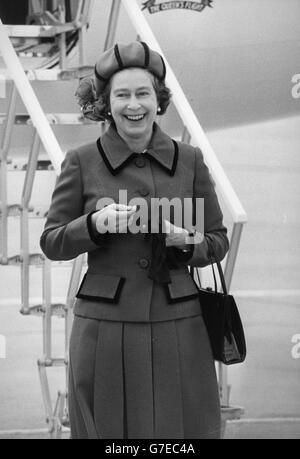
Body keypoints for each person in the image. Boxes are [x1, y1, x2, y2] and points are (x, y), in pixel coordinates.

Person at [40, 41, 229, 439]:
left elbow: (216, 240)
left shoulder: (190, 159)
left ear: (158, 100)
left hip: (178, 323)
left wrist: (185, 240)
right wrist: (93, 225)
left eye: (143, 93)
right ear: (105, 104)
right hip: (104, 327)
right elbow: (52, 241)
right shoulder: (82, 160)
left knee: (182, 433)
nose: (133, 104)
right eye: (121, 95)